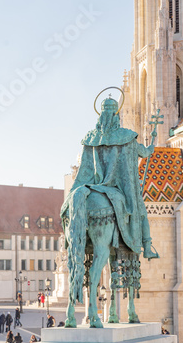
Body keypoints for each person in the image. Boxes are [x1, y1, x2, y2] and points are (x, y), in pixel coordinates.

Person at [60, 95, 159, 263]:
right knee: (140, 211)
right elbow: (145, 153)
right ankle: (147, 247)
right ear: (116, 114)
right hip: (119, 186)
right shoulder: (126, 136)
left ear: (101, 114)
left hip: (91, 184)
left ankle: (69, 237)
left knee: (68, 206)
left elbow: (85, 167)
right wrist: (152, 142)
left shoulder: (90, 138)